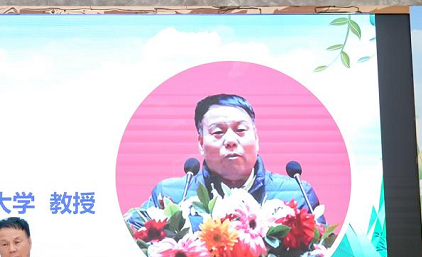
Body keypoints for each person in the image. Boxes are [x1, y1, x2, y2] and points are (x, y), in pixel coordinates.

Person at [127, 93, 322, 230]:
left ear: (256, 139)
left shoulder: (298, 194)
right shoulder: (171, 195)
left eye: (241, 130)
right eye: (218, 132)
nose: (230, 140)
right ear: (201, 143)